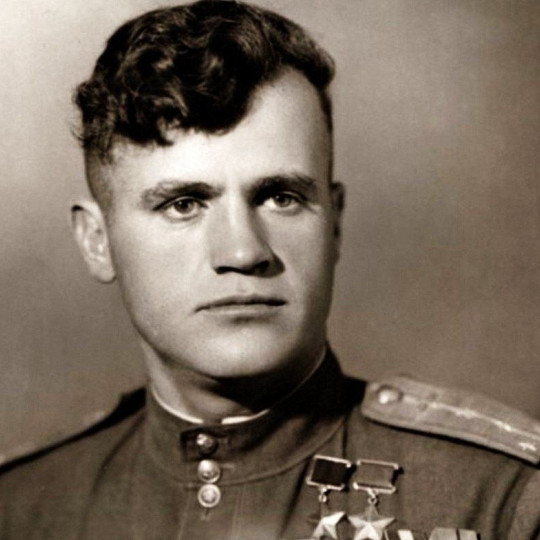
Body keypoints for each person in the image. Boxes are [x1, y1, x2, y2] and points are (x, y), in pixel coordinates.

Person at [0, 1, 538, 539]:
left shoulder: (499, 497)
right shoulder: (23, 509)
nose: (243, 251)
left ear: (335, 223)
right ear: (97, 242)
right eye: (184, 204)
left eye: (281, 197)